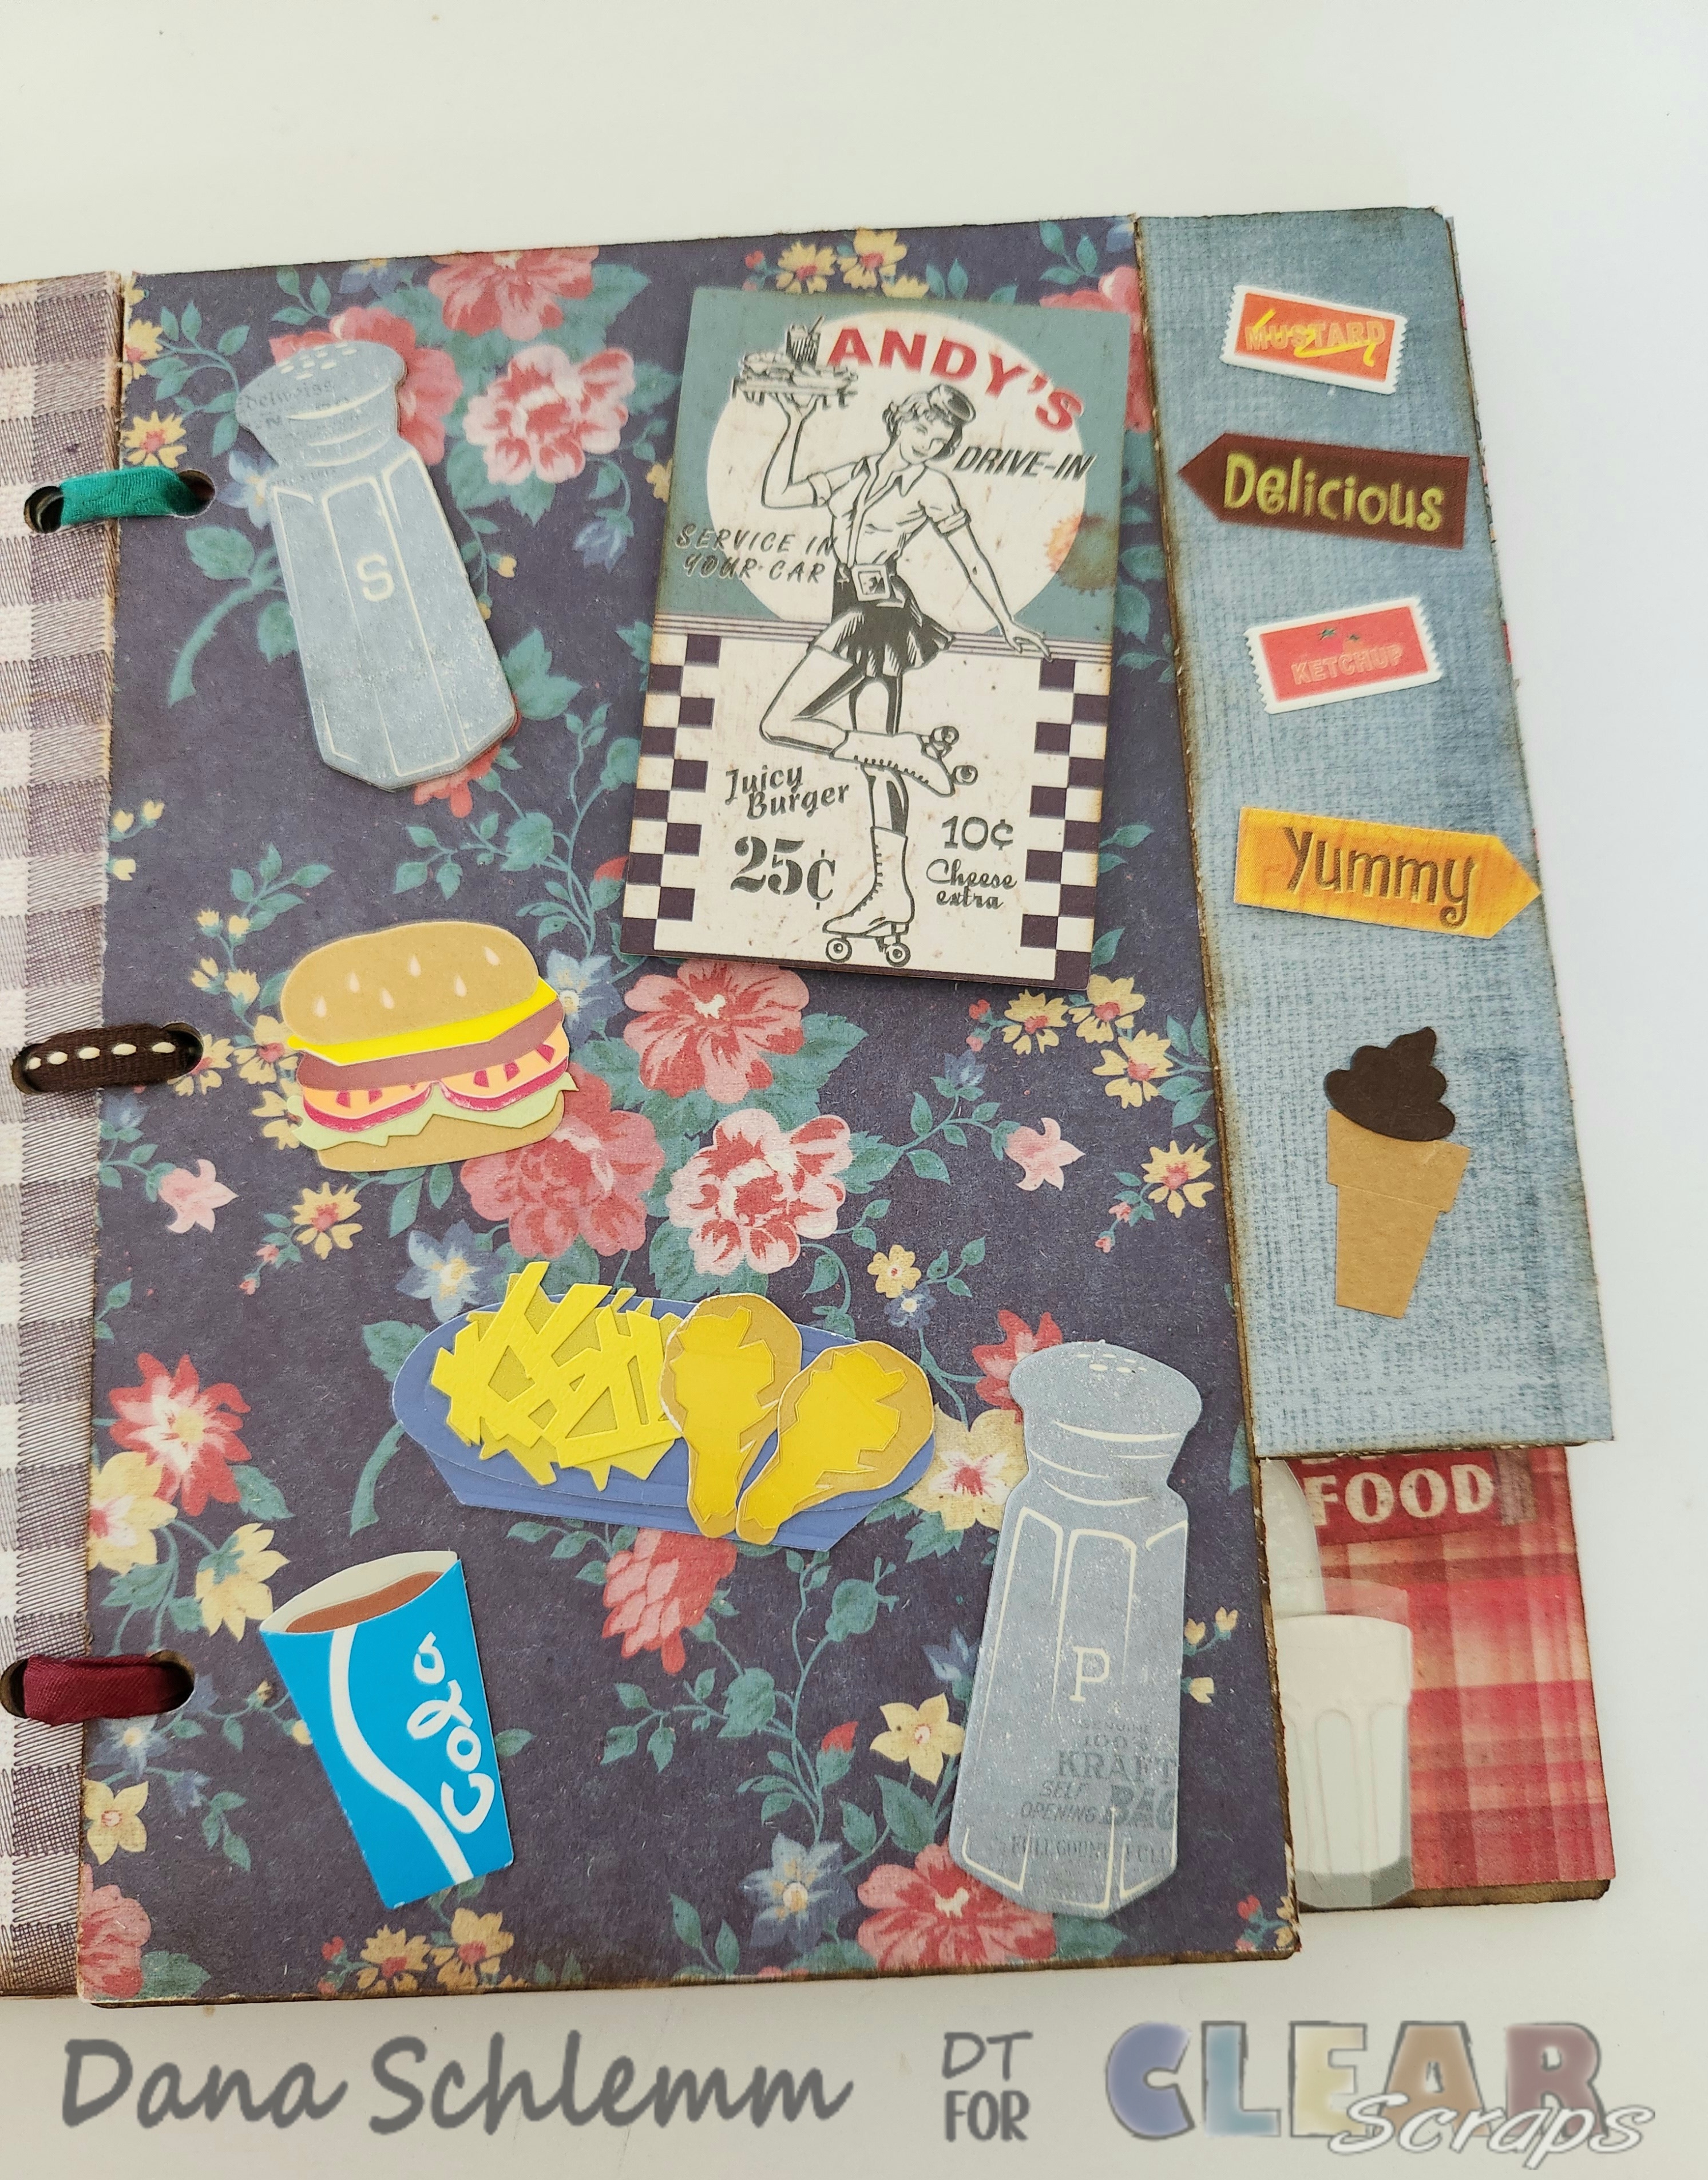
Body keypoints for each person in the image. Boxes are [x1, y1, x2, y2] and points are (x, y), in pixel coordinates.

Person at [755, 379, 1047, 963]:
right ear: (899, 419)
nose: (927, 442)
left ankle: (903, 753)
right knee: (878, 758)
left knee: (778, 722)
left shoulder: (932, 486)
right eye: (921, 428)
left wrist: (1006, 622)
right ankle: (892, 894)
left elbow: (971, 557)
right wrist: (795, 422)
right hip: (850, 603)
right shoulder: (857, 472)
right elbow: (777, 495)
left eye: (939, 439)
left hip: (877, 612)